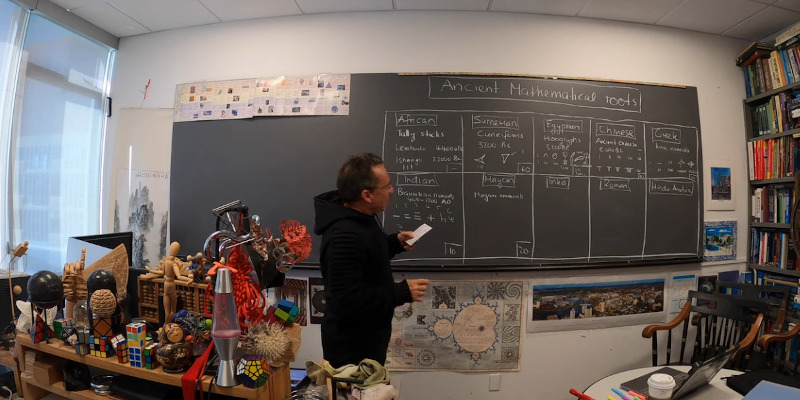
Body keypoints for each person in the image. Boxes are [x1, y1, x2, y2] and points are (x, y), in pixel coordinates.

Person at [313, 152, 429, 367]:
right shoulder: (343, 236)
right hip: (351, 353)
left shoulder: (360, 218)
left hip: (368, 342)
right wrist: (401, 292)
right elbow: (348, 298)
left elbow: (365, 253)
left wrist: (394, 243)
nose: (391, 190)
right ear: (367, 195)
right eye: (387, 186)